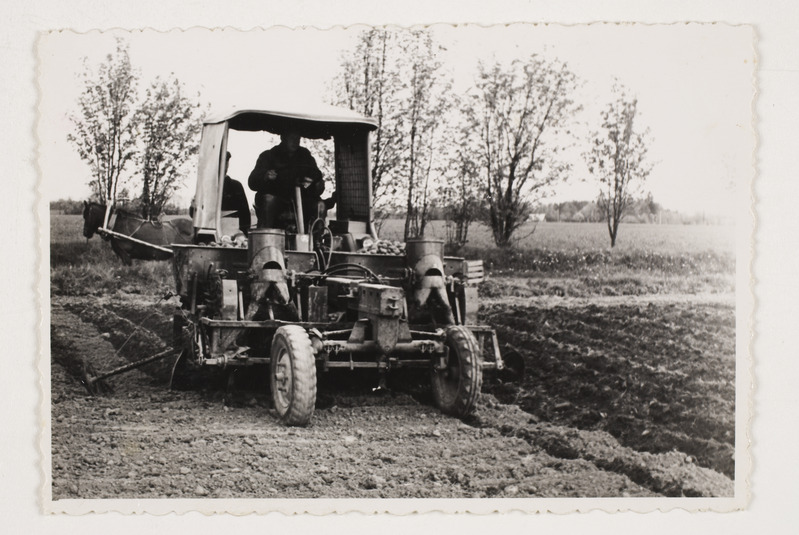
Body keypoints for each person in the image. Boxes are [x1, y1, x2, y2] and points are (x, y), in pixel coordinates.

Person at [247, 130, 325, 230]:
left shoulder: (305, 156)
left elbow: (316, 175)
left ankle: (317, 242)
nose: (295, 142)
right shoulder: (268, 156)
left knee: (320, 205)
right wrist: (265, 176)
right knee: (268, 200)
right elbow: (252, 182)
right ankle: (265, 239)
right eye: (292, 138)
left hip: (302, 201)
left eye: (298, 139)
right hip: (278, 202)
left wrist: (315, 182)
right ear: (283, 138)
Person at [221, 152, 251, 235]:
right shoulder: (206, 186)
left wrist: (243, 235)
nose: (224, 164)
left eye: (226, 161)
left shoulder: (236, 186)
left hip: (233, 234)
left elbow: (245, 216)